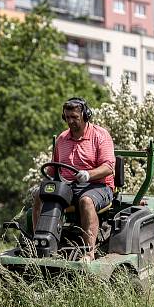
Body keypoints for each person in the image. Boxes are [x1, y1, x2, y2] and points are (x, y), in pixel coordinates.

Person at [32, 97, 115, 262]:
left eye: (74, 117)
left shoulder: (100, 135)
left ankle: (89, 252)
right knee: (39, 195)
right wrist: (45, 184)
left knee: (85, 201)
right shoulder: (62, 139)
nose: (70, 121)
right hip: (68, 187)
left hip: (98, 186)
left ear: (85, 115)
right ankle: (39, 245)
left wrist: (88, 174)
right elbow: (52, 170)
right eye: (67, 117)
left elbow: (109, 168)